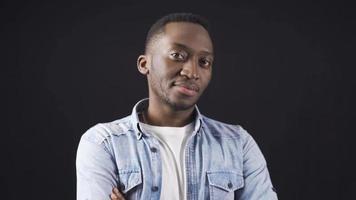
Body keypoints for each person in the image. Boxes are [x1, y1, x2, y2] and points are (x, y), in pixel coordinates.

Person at [76, 13, 278, 200]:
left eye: (204, 61)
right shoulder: (103, 143)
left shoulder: (238, 144)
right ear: (144, 64)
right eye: (177, 55)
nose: (192, 71)